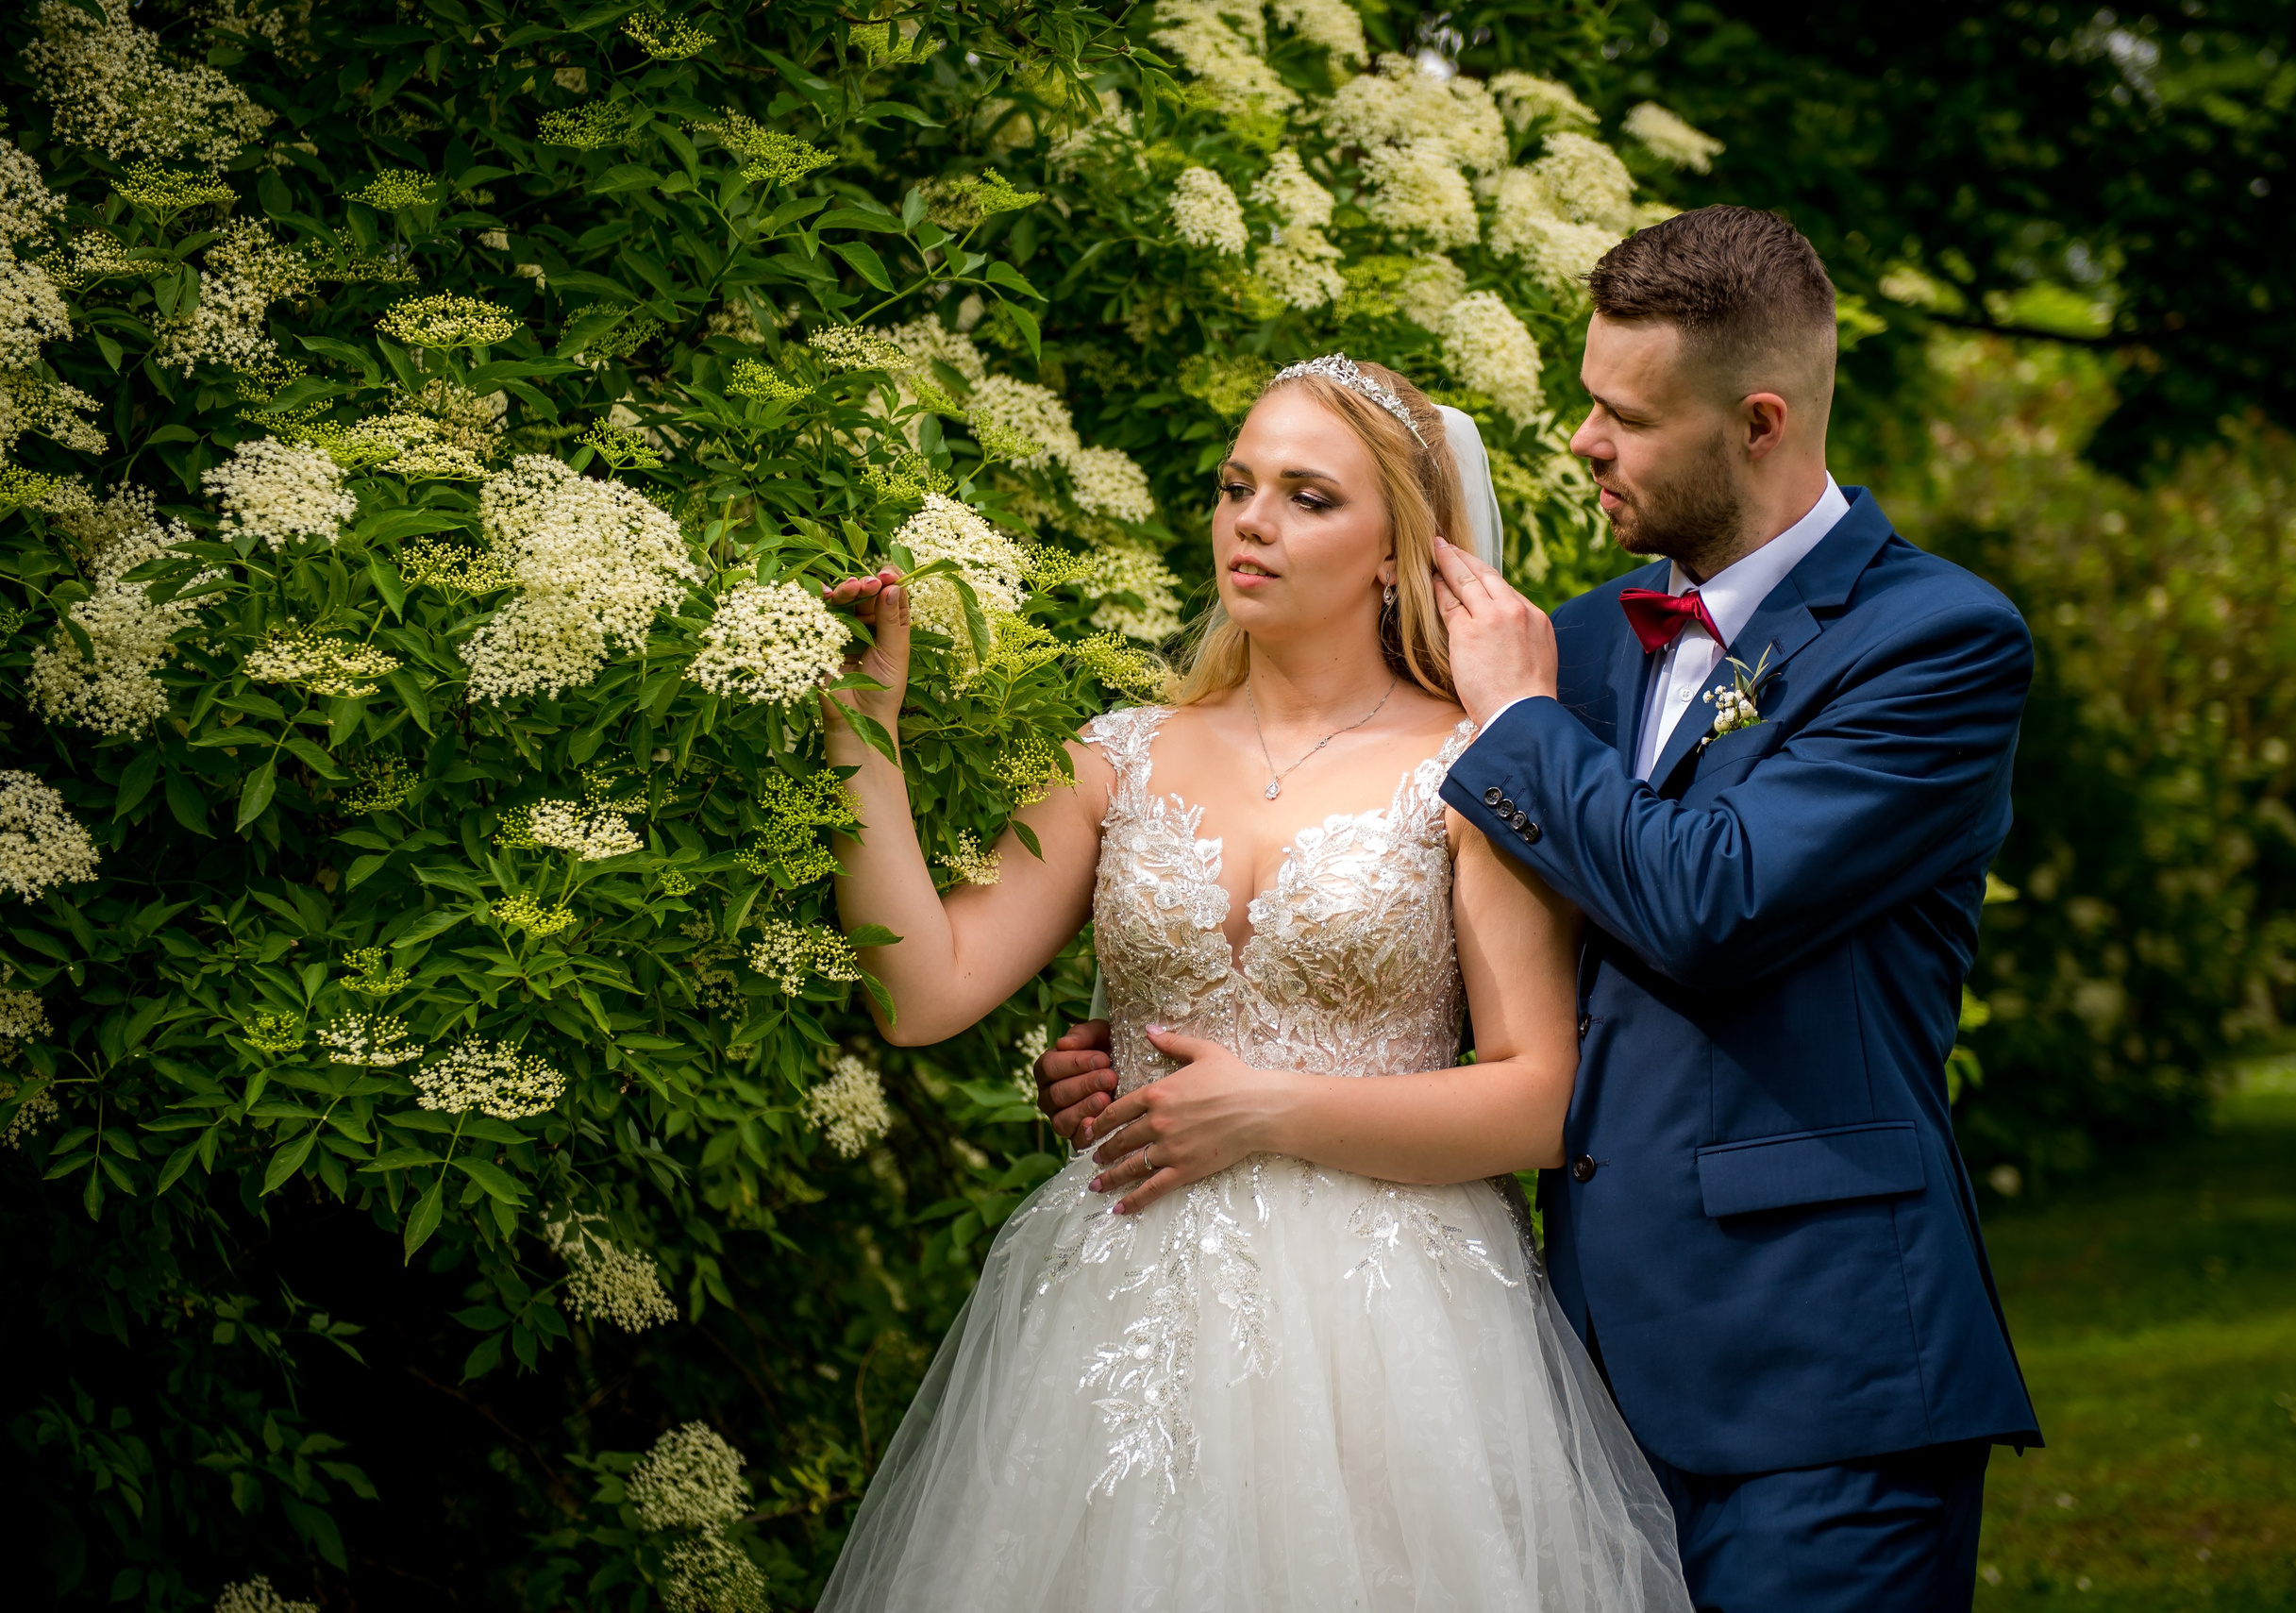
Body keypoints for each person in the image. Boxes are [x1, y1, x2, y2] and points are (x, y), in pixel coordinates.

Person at [1041, 206, 2043, 1610]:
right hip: (1559, 1367)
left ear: (1760, 422)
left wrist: (1513, 710)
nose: (1583, 441)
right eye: (1587, 398)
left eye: (1626, 416)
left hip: (1821, 1380)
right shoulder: (1571, 640)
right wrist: (1158, 1039)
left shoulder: (1936, 642)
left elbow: (1712, 902)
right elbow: (1412, 916)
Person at [812, 355, 1689, 1611]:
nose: (1252, 522)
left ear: (1398, 549)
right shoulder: (1116, 753)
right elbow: (924, 990)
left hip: (1395, 1330)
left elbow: (1542, 1096)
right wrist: (862, 732)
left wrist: (1268, 1109)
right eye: (1236, 486)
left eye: (1307, 496)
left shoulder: (1473, 769)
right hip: (1122, 1305)